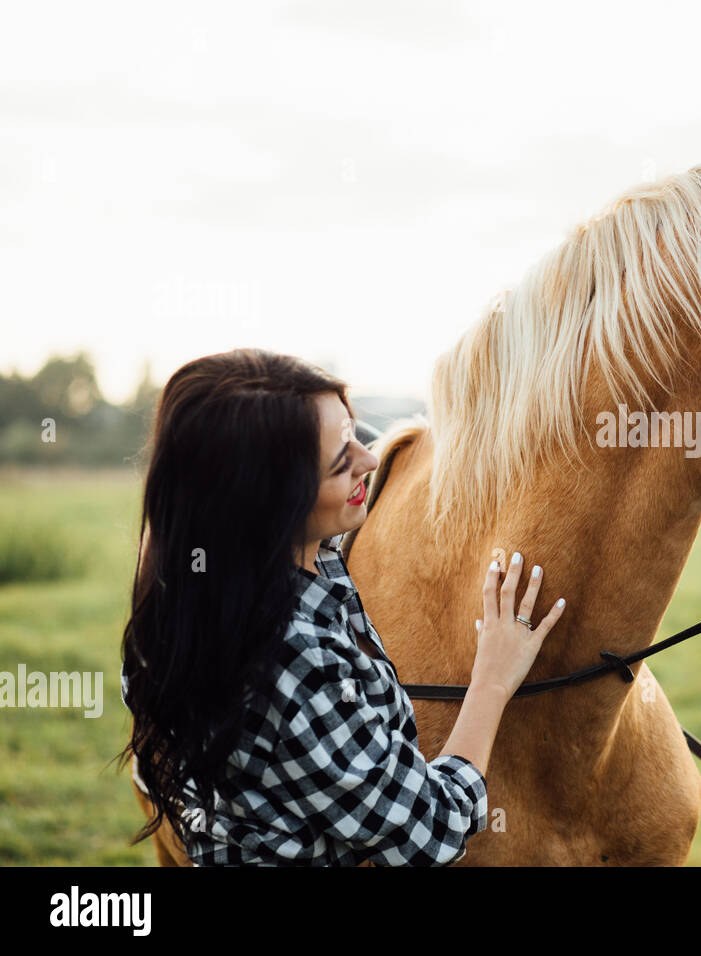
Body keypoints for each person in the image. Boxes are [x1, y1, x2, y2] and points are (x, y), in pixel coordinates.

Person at [118, 348, 566, 865]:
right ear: (270, 501)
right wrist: (491, 679)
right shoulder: (291, 661)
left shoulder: (180, 606)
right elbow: (430, 831)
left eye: (355, 433)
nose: (370, 459)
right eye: (339, 461)